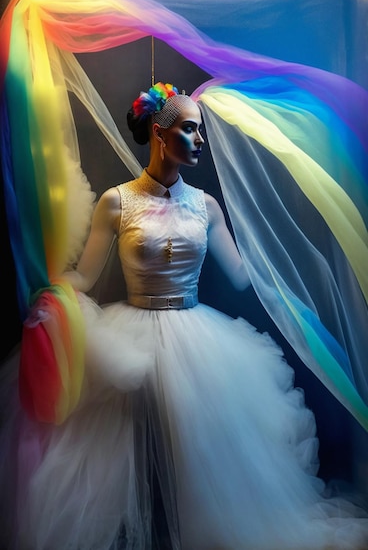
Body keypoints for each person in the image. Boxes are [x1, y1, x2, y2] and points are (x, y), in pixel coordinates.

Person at [0, 81, 368, 550]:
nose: (200, 141)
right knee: (126, 452)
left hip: (198, 339)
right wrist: (51, 295)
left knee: (199, 461)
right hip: (132, 337)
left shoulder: (206, 205)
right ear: (160, 133)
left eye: (201, 131)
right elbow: (86, 277)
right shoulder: (117, 201)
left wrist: (291, 264)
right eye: (191, 130)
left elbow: (239, 274)